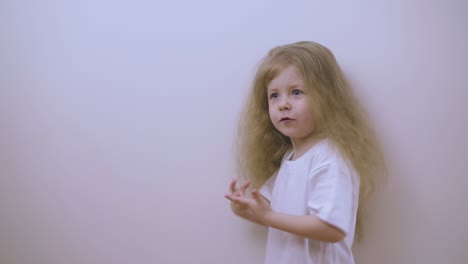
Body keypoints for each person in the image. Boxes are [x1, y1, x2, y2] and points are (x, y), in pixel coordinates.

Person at [225, 41, 386, 264]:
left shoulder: (330, 158)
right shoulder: (290, 158)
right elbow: (267, 202)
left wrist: (267, 217)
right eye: (274, 95)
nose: (283, 104)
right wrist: (245, 206)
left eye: (296, 92)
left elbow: (331, 228)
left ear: (327, 98)